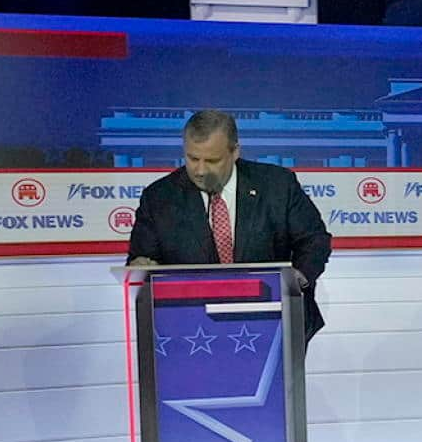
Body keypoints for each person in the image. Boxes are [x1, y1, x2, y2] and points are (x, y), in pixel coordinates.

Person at [125, 108, 334, 340]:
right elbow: (141, 260)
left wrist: (299, 277)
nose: (200, 170)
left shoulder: (277, 185)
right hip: (190, 331)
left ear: (235, 151)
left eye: (212, 160)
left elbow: (315, 240)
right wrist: (141, 265)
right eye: (192, 159)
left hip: (274, 323)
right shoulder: (159, 197)